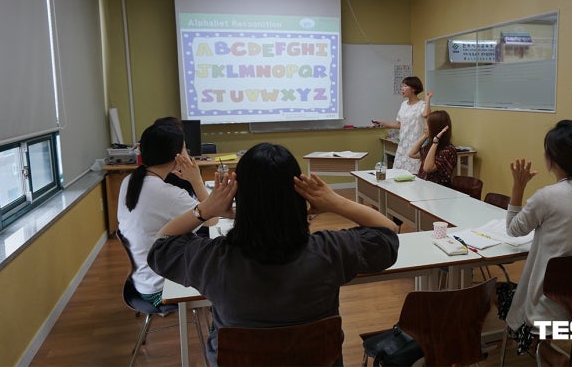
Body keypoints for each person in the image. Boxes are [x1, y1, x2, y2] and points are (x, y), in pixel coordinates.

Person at [147, 142, 399, 366]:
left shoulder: (213, 258)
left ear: (238, 196)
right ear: (297, 194)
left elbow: (161, 245)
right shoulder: (330, 250)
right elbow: (387, 233)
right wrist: (335, 202)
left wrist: (205, 209)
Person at [500, 119, 572, 364]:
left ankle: (547, 352)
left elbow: (513, 229)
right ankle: (547, 351)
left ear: (550, 160)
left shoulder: (546, 197)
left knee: (502, 296)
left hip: (550, 302)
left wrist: (518, 186)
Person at [117, 123, 211, 306]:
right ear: (177, 155)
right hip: (160, 290)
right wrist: (196, 180)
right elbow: (213, 220)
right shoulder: (168, 194)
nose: (187, 152)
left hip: (141, 283)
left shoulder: (129, 181)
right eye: (184, 147)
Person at [372, 76, 433, 174]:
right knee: (398, 174)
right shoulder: (404, 104)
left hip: (415, 146)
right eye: (402, 86)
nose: (402, 89)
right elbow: (399, 125)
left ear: (414, 89)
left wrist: (428, 99)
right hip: (402, 145)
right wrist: (383, 123)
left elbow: (426, 114)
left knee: (413, 174)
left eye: (405, 86)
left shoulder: (422, 104)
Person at [408, 110, 457, 187]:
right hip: (425, 188)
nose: (425, 127)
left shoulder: (448, 149)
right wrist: (425, 135)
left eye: (428, 124)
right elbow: (412, 154)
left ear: (436, 127)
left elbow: (427, 168)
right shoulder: (431, 146)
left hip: (438, 191)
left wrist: (435, 142)